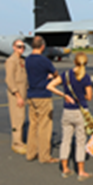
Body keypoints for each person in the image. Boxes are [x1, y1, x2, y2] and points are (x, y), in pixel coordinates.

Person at [46, 52, 93, 180]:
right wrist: (81, 96)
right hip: (80, 111)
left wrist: (64, 95)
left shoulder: (66, 75)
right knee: (80, 141)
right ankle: (81, 171)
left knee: (65, 140)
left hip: (67, 111)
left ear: (74, 62)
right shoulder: (86, 77)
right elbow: (89, 97)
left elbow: (50, 86)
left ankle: (65, 168)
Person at [25, 36, 59, 164]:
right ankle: (44, 156)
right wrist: (50, 77)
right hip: (43, 95)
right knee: (44, 126)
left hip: (31, 94)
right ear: (42, 46)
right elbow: (56, 74)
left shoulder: (28, 59)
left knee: (33, 124)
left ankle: (31, 152)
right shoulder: (44, 61)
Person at [4, 39, 28, 155]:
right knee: (17, 119)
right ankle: (16, 144)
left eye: (23, 47)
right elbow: (9, 79)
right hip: (16, 94)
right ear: (13, 47)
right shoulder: (11, 61)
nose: (21, 49)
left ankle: (20, 141)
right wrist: (18, 95)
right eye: (19, 46)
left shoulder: (21, 60)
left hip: (23, 93)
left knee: (21, 118)